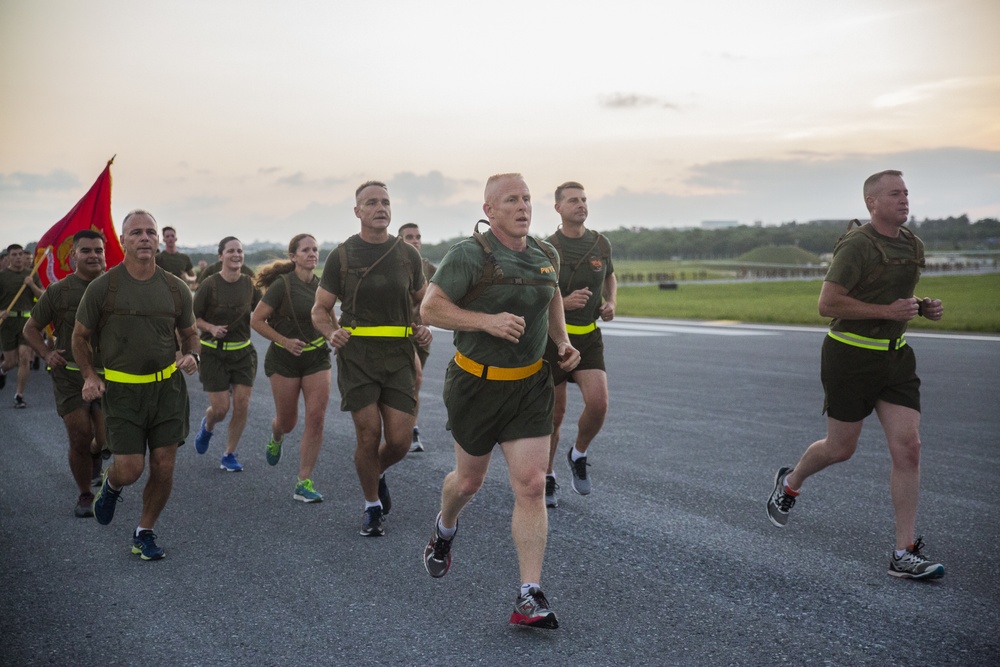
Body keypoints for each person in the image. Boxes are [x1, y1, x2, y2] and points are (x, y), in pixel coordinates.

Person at [766, 170, 946, 580]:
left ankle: (904, 551)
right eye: (894, 194)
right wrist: (887, 312)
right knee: (840, 448)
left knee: (909, 448)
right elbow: (827, 304)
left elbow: (889, 298)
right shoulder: (857, 245)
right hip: (850, 357)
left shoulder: (912, 244)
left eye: (906, 192)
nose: (904, 199)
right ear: (872, 203)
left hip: (896, 359)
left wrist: (921, 306)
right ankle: (790, 482)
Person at [420, 173, 580, 629]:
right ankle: (444, 528)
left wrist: (563, 341)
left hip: (530, 385)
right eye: (511, 200)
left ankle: (529, 595)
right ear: (489, 210)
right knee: (468, 483)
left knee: (531, 485)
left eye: (527, 199)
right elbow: (430, 308)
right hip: (476, 384)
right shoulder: (468, 254)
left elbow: (551, 301)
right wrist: (485, 322)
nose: (522, 206)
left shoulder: (545, 254)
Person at [73, 209, 200, 561]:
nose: (144, 238)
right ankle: (112, 485)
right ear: (123, 241)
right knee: (131, 468)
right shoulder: (104, 287)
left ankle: (144, 531)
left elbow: (190, 334)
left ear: (159, 240)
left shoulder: (175, 288)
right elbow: (80, 337)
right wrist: (89, 375)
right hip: (124, 391)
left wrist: (193, 355)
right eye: (136, 232)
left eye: (150, 232)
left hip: (167, 390)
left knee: (164, 465)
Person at [311, 181, 429, 536]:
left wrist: (422, 325)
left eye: (386, 202)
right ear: (357, 211)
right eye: (372, 202)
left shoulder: (408, 255)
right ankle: (372, 506)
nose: (381, 208)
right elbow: (320, 309)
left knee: (399, 441)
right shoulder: (342, 255)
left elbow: (424, 303)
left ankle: (376, 471)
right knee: (368, 435)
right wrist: (332, 332)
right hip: (357, 355)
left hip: (398, 356)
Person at [23, 230, 108, 517]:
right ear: (73, 256)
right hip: (70, 375)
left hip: (110, 376)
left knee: (107, 438)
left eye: (98, 250)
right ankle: (85, 494)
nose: (93, 255)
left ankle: (97, 453)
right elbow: (30, 329)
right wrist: (47, 354)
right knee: (79, 435)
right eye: (86, 250)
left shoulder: (116, 287)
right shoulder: (58, 291)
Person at [543, 182, 617, 507]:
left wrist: (611, 302)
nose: (581, 204)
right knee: (555, 414)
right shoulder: (546, 248)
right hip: (553, 340)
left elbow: (611, 276)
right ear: (558, 207)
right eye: (573, 200)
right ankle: (546, 476)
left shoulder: (601, 243)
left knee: (599, 404)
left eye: (584, 199)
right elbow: (538, 292)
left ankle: (579, 453)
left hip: (588, 335)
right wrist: (563, 301)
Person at [250, 234, 331, 502]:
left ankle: (303, 482)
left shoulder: (323, 288)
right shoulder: (282, 285)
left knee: (316, 418)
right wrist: (284, 342)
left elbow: (330, 319)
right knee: (288, 422)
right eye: (305, 250)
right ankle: (276, 435)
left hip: (317, 357)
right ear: (293, 256)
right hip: (284, 360)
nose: (312, 254)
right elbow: (257, 320)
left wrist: (338, 334)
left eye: (315, 250)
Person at [192, 236, 262, 472]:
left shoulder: (249, 285)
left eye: (239, 251)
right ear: (220, 256)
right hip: (213, 354)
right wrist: (210, 328)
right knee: (221, 409)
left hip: (243, 353)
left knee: (242, 404)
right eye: (231, 251)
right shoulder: (210, 285)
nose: (236, 255)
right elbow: (193, 318)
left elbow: (263, 312)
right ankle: (208, 425)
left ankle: (229, 454)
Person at [398, 222, 436, 452]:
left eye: (418, 236)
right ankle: (410, 431)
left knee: (413, 385)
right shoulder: (393, 266)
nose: (415, 241)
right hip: (398, 334)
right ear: (399, 240)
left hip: (421, 335)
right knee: (417, 377)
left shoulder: (429, 269)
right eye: (409, 237)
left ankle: (408, 426)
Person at [0, 243, 44, 407]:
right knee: (10, 361)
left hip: (27, 323)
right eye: (14, 255)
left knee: (24, 357)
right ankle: (2, 370)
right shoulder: (2, 276)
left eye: (20, 254)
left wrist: (31, 284)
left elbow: (43, 296)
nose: (18, 257)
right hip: (8, 323)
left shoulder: (31, 274)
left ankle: (19, 395)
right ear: (8, 257)